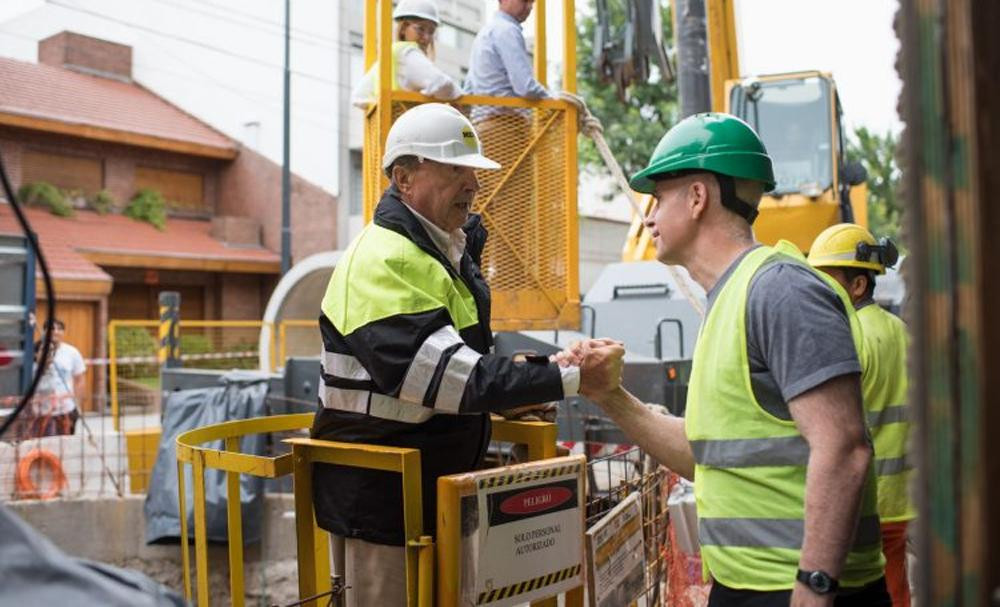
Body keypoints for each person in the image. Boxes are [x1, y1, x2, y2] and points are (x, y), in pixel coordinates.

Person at [565, 113, 890, 605]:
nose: (648, 217)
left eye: (658, 198)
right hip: (749, 586)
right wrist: (610, 395)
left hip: (799, 589)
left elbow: (843, 446)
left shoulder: (780, 290)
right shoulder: (732, 298)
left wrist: (814, 583)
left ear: (697, 198)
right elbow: (705, 457)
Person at [310, 102, 618, 606]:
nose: (473, 183)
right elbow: (452, 380)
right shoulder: (385, 260)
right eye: (455, 168)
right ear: (404, 178)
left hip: (431, 493)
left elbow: (460, 365)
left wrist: (514, 393)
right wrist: (568, 375)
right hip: (383, 505)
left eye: (473, 170)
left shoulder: (441, 251)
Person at [808, 224, 913, 607]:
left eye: (825, 279)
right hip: (902, 498)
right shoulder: (902, 332)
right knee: (894, 585)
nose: (815, 289)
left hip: (863, 498)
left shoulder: (846, 335)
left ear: (857, 286)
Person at [350, 0, 460, 108]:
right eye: (420, 29)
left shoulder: (391, 54)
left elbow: (359, 97)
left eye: (431, 32)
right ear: (403, 28)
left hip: (392, 123)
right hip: (412, 124)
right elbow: (442, 83)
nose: (426, 37)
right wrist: (459, 96)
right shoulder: (408, 53)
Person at [31, 319, 84, 436]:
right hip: (40, 412)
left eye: (59, 329)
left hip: (65, 410)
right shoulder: (35, 351)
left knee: (64, 446)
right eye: (51, 329)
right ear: (44, 332)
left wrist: (77, 406)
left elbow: (79, 380)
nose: (55, 332)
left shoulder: (72, 352)